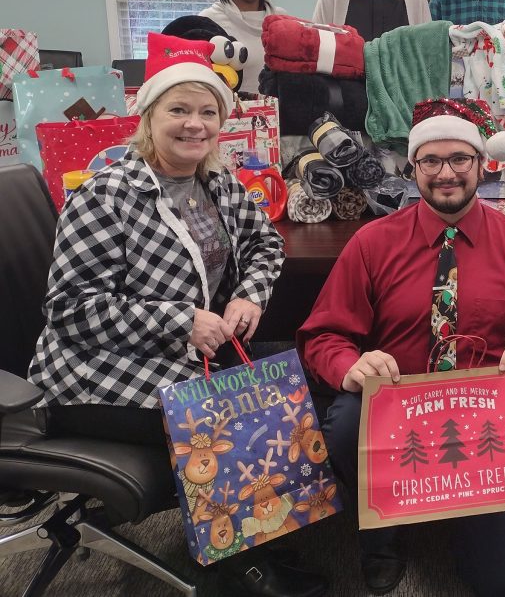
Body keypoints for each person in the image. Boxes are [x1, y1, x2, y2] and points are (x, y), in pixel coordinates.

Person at [26, 32, 326, 597]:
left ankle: (267, 536)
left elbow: (265, 245)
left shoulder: (217, 182)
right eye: (179, 110)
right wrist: (179, 320)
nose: (194, 124)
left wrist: (249, 297)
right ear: (149, 117)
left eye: (207, 112)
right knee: (231, 418)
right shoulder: (105, 194)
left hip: (182, 351)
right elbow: (70, 310)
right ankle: (236, 568)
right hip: (92, 370)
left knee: (284, 382)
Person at [298, 97, 505, 596]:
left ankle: (472, 516)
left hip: (488, 420)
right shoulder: (372, 243)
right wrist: (351, 365)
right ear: (413, 167)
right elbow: (323, 336)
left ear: (480, 165)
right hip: (397, 407)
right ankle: (384, 527)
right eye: (431, 160)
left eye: (460, 160)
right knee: (342, 423)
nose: (446, 173)